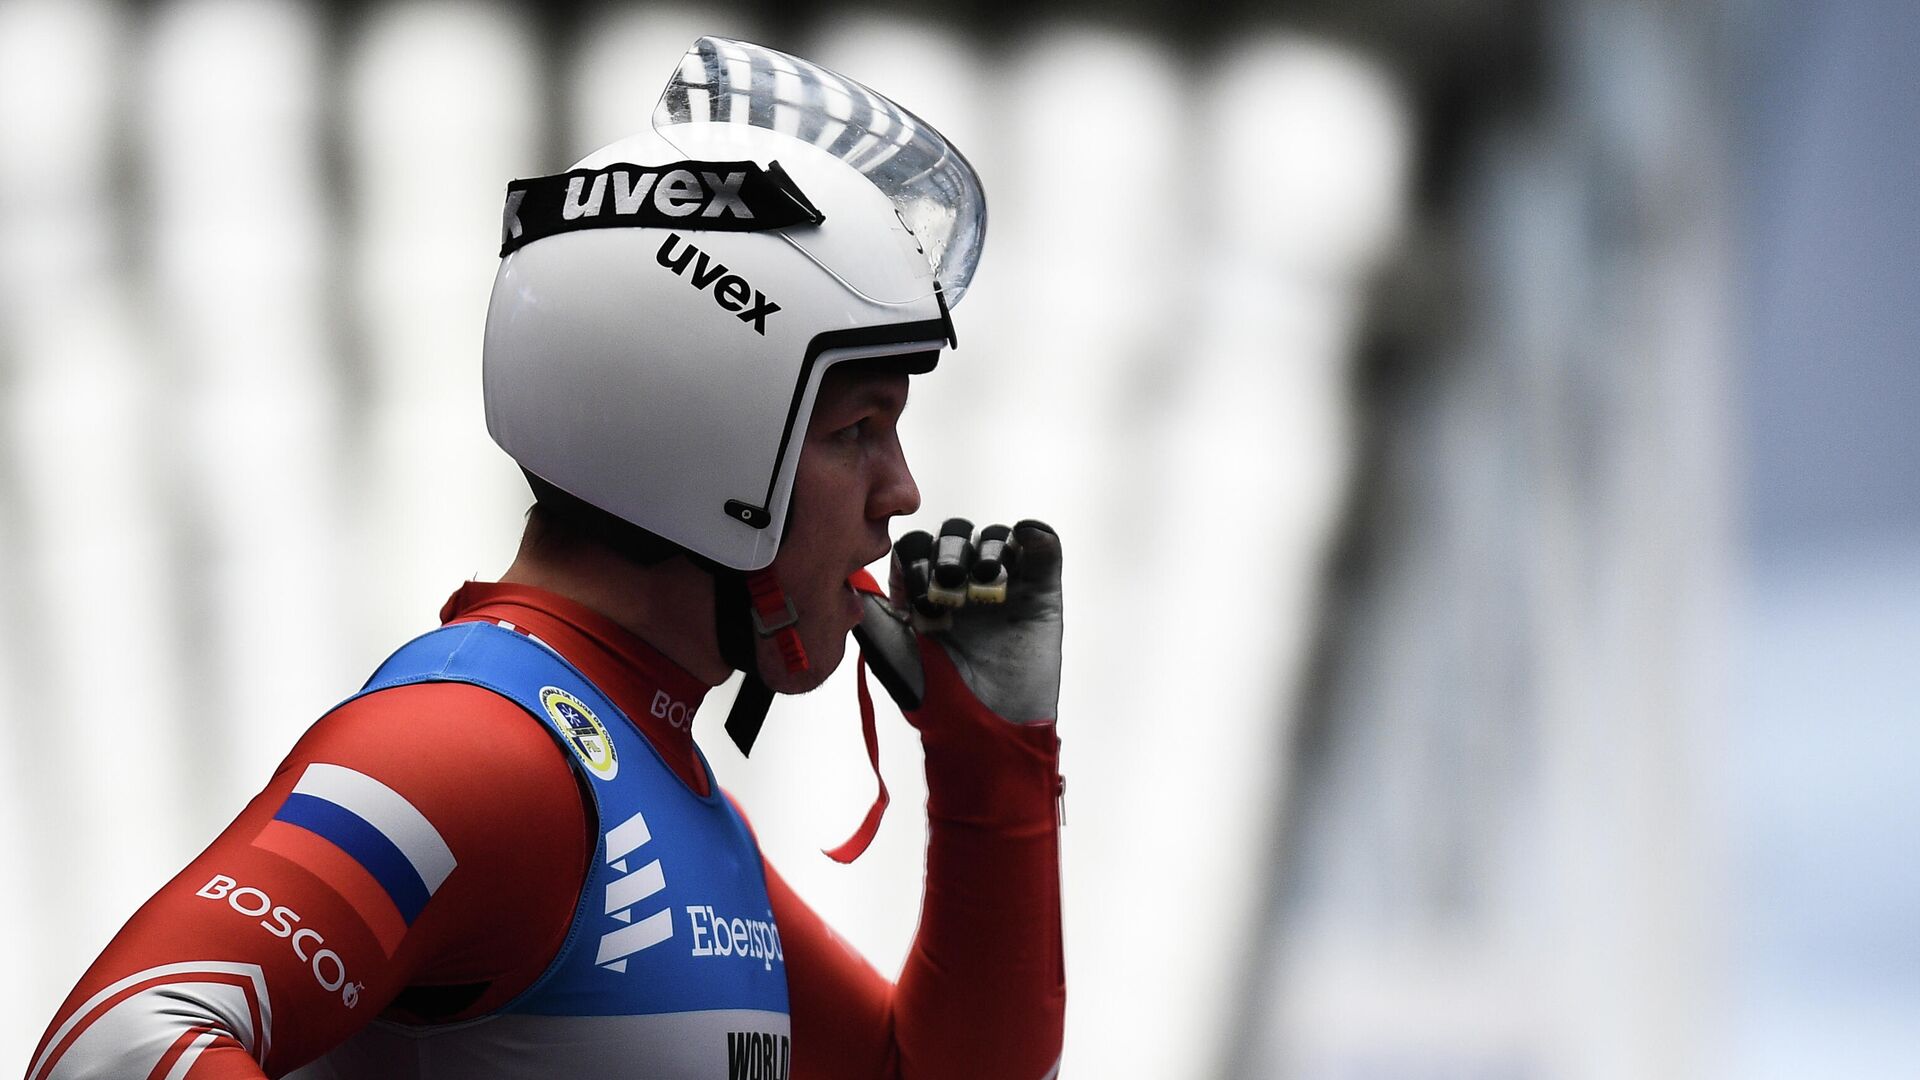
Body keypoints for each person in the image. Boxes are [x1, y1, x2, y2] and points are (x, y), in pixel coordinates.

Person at [27, 37, 1065, 1080]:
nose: (903, 493)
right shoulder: (479, 751)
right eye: (856, 432)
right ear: (709, 442)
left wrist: (993, 771)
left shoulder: (641, 780)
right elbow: (116, 1046)